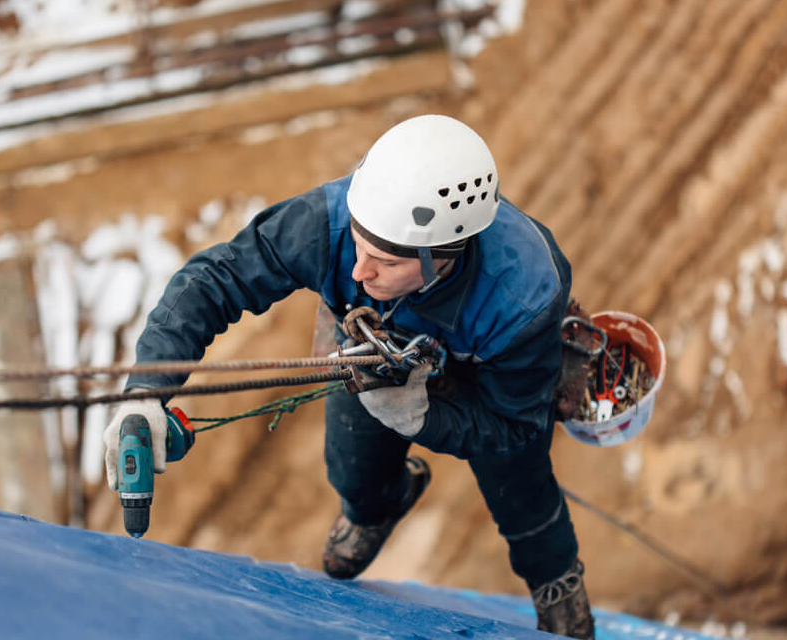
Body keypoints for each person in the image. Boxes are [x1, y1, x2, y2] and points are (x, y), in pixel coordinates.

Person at [103, 114, 596, 639]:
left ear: (441, 258)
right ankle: (378, 505)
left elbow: (512, 426)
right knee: (352, 465)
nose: (359, 271)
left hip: (489, 366)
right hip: (375, 343)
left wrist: (421, 418)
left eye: (382, 261)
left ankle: (556, 581)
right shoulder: (334, 219)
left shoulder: (524, 293)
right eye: (358, 247)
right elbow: (216, 280)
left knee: (520, 483)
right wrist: (147, 390)